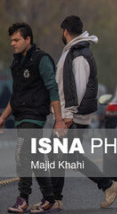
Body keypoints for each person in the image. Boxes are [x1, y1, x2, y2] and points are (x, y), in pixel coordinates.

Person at [31, 16, 117, 211]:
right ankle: (56, 199)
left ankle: (107, 185)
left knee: (66, 156)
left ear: (65, 31)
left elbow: (78, 88)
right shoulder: (74, 51)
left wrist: (68, 115)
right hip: (67, 115)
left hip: (72, 117)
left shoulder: (79, 55)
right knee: (59, 155)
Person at [0, 22, 67, 213]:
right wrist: (3, 117)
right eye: (11, 40)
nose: (12, 43)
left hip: (35, 116)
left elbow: (52, 89)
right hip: (21, 116)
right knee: (35, 157)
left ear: (28, 39)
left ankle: (23, 199)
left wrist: (59, 119)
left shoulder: (42, 59)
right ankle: (49, 198)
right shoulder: (16, 62)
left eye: (17, 40)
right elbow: (16, 95)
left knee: (22, 154)